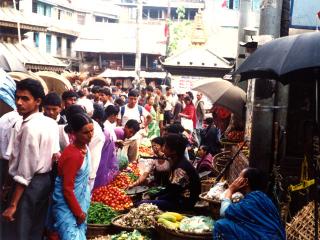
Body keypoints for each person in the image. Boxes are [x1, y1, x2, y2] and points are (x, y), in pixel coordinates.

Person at [2, 79, 59, 240]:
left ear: (38, 101)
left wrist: (13, 204)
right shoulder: (49, 122)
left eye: (25, 99)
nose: (19, 103)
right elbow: (55, 154)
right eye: (17, 97)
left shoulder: (29, 128)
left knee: (19, 230)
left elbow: (25, 171)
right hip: (44, 182)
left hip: (28, 185)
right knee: (35, 228)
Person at [51, 113, 93, 240]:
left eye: (92, 131)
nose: (90, 135)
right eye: (86, 132)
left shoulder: (84, 148)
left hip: (78, 202)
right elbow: (67, 189)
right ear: (74, 133)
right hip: (68, 205)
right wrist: (78, 213)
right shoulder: (73, 155)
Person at [213, 168, 286, 240]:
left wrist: (230, 190)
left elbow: (224, 212)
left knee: (221, 224)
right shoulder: (264, 198)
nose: (236, 180)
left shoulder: (250, 202)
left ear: (245, 181)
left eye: (239, 177)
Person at [138, 134, 201, 211]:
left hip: (183, 202)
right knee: (147, 200)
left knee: (141, 204)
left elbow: (174, 193)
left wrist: (156, 198)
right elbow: (170, 188)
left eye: (165, 147)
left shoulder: (180, 168)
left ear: (173, 151)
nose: (163, 149)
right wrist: (153, 196)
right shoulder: (177, 161)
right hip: (177, 198)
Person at [94, 105, 120, 189]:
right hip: (102, 159)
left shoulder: (106, 127)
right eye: (116, 115)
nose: (117, 118)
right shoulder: (104, 128)